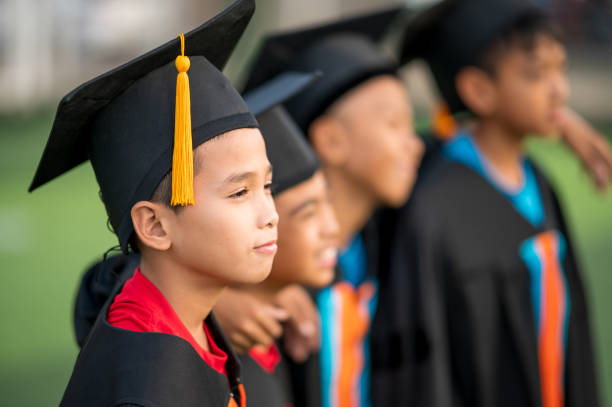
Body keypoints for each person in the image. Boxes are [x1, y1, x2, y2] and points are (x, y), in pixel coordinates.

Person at [28, 1, 279, 406]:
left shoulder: (190, 320)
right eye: (239, 193)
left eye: (267, 186)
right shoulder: (146, 385)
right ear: (156, 226)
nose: (270, 215)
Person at [388, 1, 600, 406]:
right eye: (537, 74)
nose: (560, 91)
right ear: (479, 91)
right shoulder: (434, 207)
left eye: (562, 69)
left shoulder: (537, 178)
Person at [240, 7, 425, 407]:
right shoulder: (266, 265)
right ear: (331, 141)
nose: (417, 144)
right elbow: (112, 288)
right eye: (395, 125)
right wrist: (219, 302)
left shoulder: (395, 235)